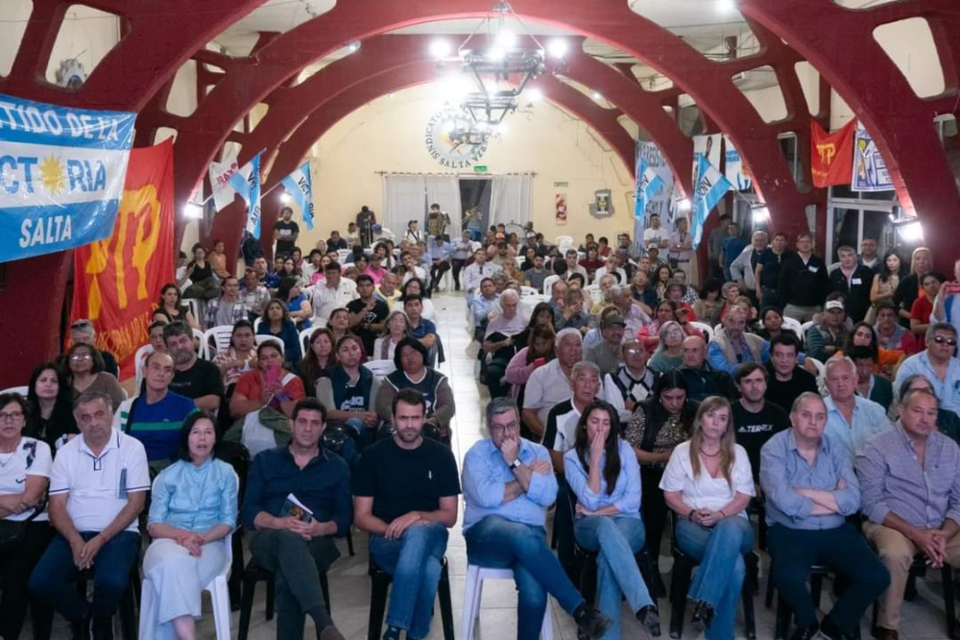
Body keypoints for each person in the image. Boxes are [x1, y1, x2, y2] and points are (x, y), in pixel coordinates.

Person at [461, 398, 612, 640]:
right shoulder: (477, 455)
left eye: (511, 425)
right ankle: (580, 609)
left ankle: (581, 615)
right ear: (489, 428)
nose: (506, 433)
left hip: (530, 541)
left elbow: (549, 496)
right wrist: (525, 475)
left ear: (519, 424)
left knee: (534, 592)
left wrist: (516, 468)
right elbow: (489, 497)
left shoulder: (538, 452)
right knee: (518, 533)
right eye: (499, 427)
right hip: (486, 538)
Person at [760, 392, 890, 640]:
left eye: (820, 416)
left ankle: (831, 629)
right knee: (785, 576)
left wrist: (805, 492)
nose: (813, 422)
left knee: (877, 575)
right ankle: (808, 625)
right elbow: (784, 501)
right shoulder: (773, 449)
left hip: (836, 530)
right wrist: (832, 499)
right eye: (806, 415)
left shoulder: (835, 448)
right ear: (793, 418)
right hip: (790, 530)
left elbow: (853, 501)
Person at [29, 391, 150, 640]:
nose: (93, 422)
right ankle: (84, 616)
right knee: (40, 581)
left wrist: (100, 539)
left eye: (99, 414)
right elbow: (57, 506)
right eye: (85, 418)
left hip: (119, 533)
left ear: (110, 415)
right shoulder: (66, 453)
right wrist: (75, 540)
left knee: (112, 582)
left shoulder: (132, 448)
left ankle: (101, 622)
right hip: (73, 532)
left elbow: (136, 504)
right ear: (77, 421)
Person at [353, 389, 461, 640]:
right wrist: (396, 529)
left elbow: (449, 516)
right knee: (430, 569)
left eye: (415, 418)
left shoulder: (442, 455)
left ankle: (394, 627)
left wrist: (415, 516)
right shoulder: (372, 456)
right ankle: (414, 634)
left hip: (432, 535)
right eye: (403, 418)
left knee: (421, 531)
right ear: (392, 418)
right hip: (386, 539)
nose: (410, 425)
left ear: (425, 418)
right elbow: (361, 517)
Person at [241, 398, 351, 640]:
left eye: (315, 423)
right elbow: (249, 512)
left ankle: (324, 624)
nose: (308, 428)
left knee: (289, 569)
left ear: (323, 427)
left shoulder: (337, 466)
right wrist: (278, 523)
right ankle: (324, 623)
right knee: (288, 540)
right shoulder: (265, 460)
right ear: (291, 424)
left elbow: (344, 520)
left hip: (318, 541)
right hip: (269, 538)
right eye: (302, 422)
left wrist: (321, 528)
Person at [856, 387, 960, 640]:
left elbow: (959, 500)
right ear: (901, 411)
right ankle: (887, 625)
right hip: (893, 523)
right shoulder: (878, 446)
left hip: (940, 525)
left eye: (932, 413)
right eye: (917, 411)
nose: (925, 419)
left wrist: (943, 534)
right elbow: (870, 503)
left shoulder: (950, 448)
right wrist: (917, 534)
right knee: (895, 553)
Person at [565, 399, 661, 640]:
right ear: (584, 425)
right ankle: (643, 605)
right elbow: (589, 499)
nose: (600, 428)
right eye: (595, 421)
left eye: (606, 423)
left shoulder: (625, 450)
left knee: (609, 558)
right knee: (605, 528)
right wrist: (595, 460)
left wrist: (597, 511)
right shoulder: (572, 458)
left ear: (613, 427)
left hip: (629, 523)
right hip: (589, 528)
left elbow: (632, 501)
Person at [662, 396, 755, 640]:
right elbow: (670, 495)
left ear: (727, 425)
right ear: (700, 419)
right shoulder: (682, 452)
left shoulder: (738, 452)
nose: (716, 422)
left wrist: (721, 514)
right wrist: (692, 513)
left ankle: (704, 599)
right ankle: (718, 632)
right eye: (711, 415)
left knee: (731, 526)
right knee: (734, 567)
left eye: (722, 418)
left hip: (735, 522)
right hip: (692, 523)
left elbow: (744, 496)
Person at [141, 412, 237, 640]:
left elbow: (228, 521)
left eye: (208, 432)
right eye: (196, 432)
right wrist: (183, 536)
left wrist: (200, 538)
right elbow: (154, 525)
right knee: (174, 562)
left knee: (171, 573)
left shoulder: (225, 473)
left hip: (210, 544)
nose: (202, 438)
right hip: (167, 542)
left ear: (215, 438)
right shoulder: (168, 475)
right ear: (186, 438)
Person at [623, 371, 698, 573]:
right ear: (658, 395)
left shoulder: (695, 410)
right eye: (668, 398)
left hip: (687, 475)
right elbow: (629, 450)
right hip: (652, 472)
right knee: (653, 516)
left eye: (679, 398)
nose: (674, 403)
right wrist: (663, 457)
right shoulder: (645, 410)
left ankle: (687, 559)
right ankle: (651, 566)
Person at [0, 393, 54, 640]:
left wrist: (15, 502)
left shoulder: (37, 448)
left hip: (32, 526)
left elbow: (31, 497)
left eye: (14, 415)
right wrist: (13, 502)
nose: (8, 420)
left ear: (24, 420)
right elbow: (21, 500)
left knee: (16, 579)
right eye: (1, 415)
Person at [113, 351, 196, 466]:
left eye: (167, 370)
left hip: (173, 474)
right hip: (134, 472)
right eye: (156, 368)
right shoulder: (127, 408)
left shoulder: (186, 407)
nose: (161, 373)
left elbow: (199, 444)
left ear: (172, 376)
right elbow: (115, 447)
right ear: (144, 371)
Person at [228, 342, 306, 454]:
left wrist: (281, 395)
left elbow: (298, 416)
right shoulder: (248, 377)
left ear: (282, 358)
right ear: (259, 362)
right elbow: (234, 409)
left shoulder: (294, 381)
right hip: (250, 430)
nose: (269, 361)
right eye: (264, 358)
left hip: (281, 433)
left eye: (274, 356)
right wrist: (261, 402)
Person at [376, 338, 455, 443]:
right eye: (404, 355)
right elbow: (383, 407)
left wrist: (431, 420)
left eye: (413, 352)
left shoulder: (438, 379)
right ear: (399, 360)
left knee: (428, 431)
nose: (410, 357)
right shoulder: (391, 381)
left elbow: (448, 406)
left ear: (422, 353)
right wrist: (403, 421)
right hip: (399, 427)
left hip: (430, 424)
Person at [315, 335, 380, 454]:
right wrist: (359, 415)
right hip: (334, 430)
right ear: (338, 356)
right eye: (345, 350)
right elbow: (328, 413)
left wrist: (373, 419)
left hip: (365, 429)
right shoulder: (326, 379)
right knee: (353, 423)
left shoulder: (372, 379)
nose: (351, 353)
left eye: (355, 348)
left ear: (360, 352)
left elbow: (372, 414)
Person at [730, 363, 789, 486]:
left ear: (766, 384)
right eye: (748, 381)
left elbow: (787, 453)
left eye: (759, 380)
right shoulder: (728, 415)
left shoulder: (780, 414)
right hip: (736, 480)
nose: (755, 386)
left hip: (775, 479)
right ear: (739, 386)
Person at [822, 356, 891, 459]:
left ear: (855, 380)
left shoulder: (875, 410)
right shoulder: (817, 413)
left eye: (845, 378)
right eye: (834, 379)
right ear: (826, 383)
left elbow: (890, 447)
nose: (840, 384)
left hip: (874, 471)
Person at [523, 328, 583, 440]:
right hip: (550, 438)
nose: (573, 350)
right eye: (568, 345)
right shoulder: (541, 375)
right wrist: (549, 437)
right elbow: (528, 413)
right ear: (556, 350)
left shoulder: (591, 374)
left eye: (577, 345)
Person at [895, 322, 960, 419]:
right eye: (939, 340)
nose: (945, 344)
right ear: (927, 342)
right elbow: (901, 401)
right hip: (922, 423)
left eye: (951, 341)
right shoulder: (911, 367)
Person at [163, 323, 224, 413]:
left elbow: (213, 401)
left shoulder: (209, 369)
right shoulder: (162, 372)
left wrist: (177, 407)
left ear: (192, 342)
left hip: (197, 421)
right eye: (173, 344)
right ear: (168, 349)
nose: (179, 347)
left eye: (183, 341)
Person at [26, 362, 78, 453]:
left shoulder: (72, 412)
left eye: (54, 381)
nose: (48, 384)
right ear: (34, 384)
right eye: (43, 380)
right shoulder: (23, 412)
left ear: (60, 386)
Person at [778, 233, 829, 322]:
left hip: (814, 309)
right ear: (797, 244)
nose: (805, 244)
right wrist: (783, 304)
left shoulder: (819, 262)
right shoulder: (788, 262)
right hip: (792, 308)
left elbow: (824, 284)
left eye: (808, 241)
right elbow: (782, 284)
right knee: (790, 334)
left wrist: (822, 305)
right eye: (802, 242)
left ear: (813, 244)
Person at [603, 339, 656, 424]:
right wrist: (650, 409)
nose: (637, 355)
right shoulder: (613, 378)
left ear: (646, 354)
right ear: (623, 356)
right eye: (631, 351)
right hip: (625, 432)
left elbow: (664, 410)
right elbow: (617, 415)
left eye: (640, 350)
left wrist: (632, 406)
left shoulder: (657, 376)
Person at [765, 334, 819, 414]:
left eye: (789, 355)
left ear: (796, 358)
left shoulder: (807, 379)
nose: (784, 360)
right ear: (771, 357)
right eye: (779, 355)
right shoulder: (761, 379)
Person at [64, 342, 125, 410]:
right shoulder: (64, 382)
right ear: (68, 362)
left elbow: (119, 409)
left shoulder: (107, 380)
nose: (80, 359)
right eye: (74, 357)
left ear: (94, 359)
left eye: (85, 356)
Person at [679, 336, 739, 402]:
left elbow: (734, 402)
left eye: (695, 350)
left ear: (705, 353)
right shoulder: (676, 377)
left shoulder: (721, 377)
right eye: (686, 350)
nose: (690, 355)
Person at [346, 274, 389, 356]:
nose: (365, 288)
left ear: (373, 288)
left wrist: (367, 326)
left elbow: (385, 326)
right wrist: (365, 309)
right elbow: (350, 324)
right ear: (357, 289)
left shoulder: (382, 305)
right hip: (355, 346)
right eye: (361, 286)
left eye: (368, 285)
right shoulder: (352, 305)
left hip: (376, 346)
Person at [829, 245, 874, 322]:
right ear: (839, 258)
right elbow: (830, 295)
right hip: (840, 315)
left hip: (863, 315)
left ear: (856, 256)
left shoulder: (866, 272)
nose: (847, 259)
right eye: (843, 256)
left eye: (850, 255)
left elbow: (871, 293)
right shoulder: (834, 274)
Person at [212, 320, 258, 390]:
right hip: (229, 397)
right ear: (233, 337)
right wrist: (225, 366)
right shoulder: (222, 356)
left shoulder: (261, 354)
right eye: (239, 336)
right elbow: (210, 380)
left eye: (247, 335)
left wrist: (261, 365)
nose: (243, 339)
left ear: (254, 337)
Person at [894, 247, 933, 328]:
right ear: (913, 261)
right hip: (909, 324)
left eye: (925, 258)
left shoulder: (938, 279)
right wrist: (911, 316)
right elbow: (894, 304)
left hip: (932, 323)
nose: (921, 262)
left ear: (929, 261)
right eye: (918, 258)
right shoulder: (906, 281)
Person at [848, 345, 895, 412]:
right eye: (860, 365)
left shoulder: (885, 386)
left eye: (869, 366)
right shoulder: (843, 386)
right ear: (851, 365)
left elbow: (892, 415)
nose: (865, 371)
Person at [258, 299, 304, 365]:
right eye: (271, 309)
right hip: (266, 362)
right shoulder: (262, 326)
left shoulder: (290, 326)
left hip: (286, 362)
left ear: (283, 312)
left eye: (278, 308)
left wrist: (278, 357)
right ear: (267, 313)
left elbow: (296, 350)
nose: (275, 310)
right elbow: (258, 347)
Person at [755, 232, 792, 309]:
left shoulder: (791, 255)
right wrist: (758, 289)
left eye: (782, 240)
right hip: (767, 292)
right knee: (764, 315)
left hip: (785, 293)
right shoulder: (765, 253)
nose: (779, 243)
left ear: (786, 243)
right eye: (777, 240)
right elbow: (757, 272)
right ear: (772, 242)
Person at [297, 327, 337, 397]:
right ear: (312, 346)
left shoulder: (340, 365)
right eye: (318, 342)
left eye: (326, 342)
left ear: (332, 344)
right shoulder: (301, 367)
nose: (323, 345)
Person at [585, 312, 627, 378]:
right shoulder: (593, 352)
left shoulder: (628, 350)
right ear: (604, 332)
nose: (616, 332)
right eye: (611, 328)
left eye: (619, 328)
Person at [730, 230, 768, 302]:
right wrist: (740, 280)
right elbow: (734, 266)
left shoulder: (771, 251)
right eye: (756, 240)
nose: (759, 243)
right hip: (750, 291)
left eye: (762, 240)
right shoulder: (747, 252)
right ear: (752, 242)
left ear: (766, 241)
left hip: (767, 291)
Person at [910, 271, 944, 348]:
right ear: (923, 287)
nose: (931, 286)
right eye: (927, 284)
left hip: (948, 344)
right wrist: (938, 326)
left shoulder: (949, 300)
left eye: (933, 282)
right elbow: (914, 328)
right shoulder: (919, 303)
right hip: (926, 345)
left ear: (940, 283)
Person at [869, 251, 905, 323]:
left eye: (895, 260)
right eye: (889, 260)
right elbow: (873, 298)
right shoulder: (878, 277)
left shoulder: (905, 278)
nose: (891, 263)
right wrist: (888, 294)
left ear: (900, 261)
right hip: (878, 310)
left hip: (898, 311)